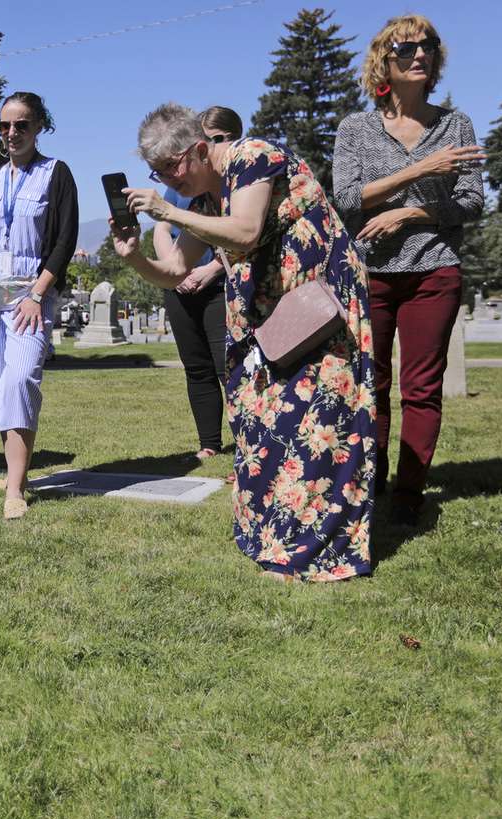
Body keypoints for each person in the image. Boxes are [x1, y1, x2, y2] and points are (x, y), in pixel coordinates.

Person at [112, 103, 376, 582]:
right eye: (157, 172)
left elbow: (248, 231)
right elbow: (175, 272)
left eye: (172, 167)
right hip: (267, 316)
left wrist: (168, 209)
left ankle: (314, 549)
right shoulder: (201, 201)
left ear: (198, 149)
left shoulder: (252, 156)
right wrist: (134, 258)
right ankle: (273, 537)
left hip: (317, 307)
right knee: (257, 421)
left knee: (317, 424)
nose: (169, 179)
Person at [332, 14, 485, 526]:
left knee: (421, 388)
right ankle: (370, 485)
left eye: (428, 47)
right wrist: (420, 170)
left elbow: (470, 203)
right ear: (385, 61)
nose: (419, 55)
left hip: (433, 271)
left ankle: (408, 498)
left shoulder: (455, 125)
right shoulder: (355, 128)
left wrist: (410, 212)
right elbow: (348, 199)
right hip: (369, 273)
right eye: (406, 49)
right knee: (369, 386)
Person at [0, 91, 77, 520]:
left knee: (21, 376)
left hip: (32, 289)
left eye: (22, 125)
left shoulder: (56, 173)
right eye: (4, 126)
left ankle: (15, 491)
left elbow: (65, 240)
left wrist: (37, 294)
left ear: (39, 127)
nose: (12, 133)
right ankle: (18, 473)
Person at [152, 106, 243, 460]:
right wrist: (176, 270)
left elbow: (242, 233)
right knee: (196, 366)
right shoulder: (184, 184)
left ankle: (246, 443)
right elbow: (162, 227)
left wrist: (211, 270)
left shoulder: (237, 179)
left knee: (227, 367)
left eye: (218, 139)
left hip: (217, 284)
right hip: (182, 284)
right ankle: (208, 442)